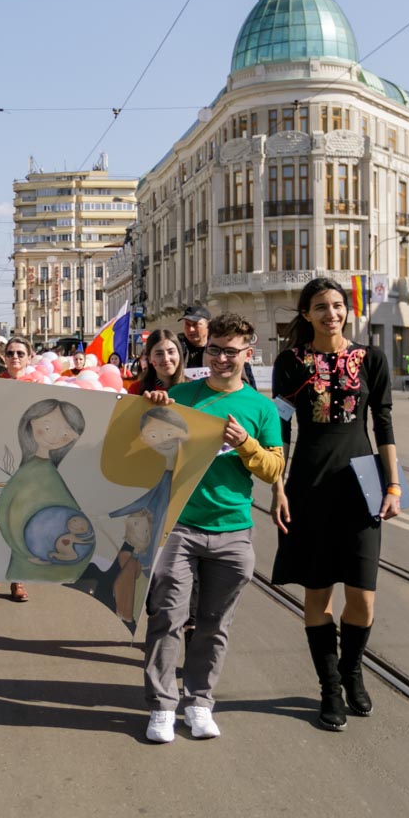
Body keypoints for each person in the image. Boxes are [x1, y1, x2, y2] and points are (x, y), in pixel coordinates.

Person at [139, 316, 284, 743]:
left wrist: (246, 444)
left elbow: (274, 469)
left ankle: (200, 702)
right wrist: (153, 409)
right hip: (179, 526)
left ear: (248, 353)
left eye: (231, 351)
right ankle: (162, 707)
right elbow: (146, 447)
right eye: (215, 350)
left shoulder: (261, 408)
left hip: (233, 530)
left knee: (214, 624)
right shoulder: (182, 396)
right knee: (167, 616)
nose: (221, 358)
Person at [271, 277, 401, 731]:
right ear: (306, 314)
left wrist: (394, 485)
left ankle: (352, 668)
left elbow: (382, 423)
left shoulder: (370, 358)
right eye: (321, 306)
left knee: (363, 598)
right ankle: (329, 688)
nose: (332, 313)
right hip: (309, 482)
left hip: (362, 482)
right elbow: (281, 428)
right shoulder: (291, 362)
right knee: (318, 592)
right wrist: (278, 486)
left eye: (338, 305)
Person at [129, 329, 185, 398]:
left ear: (179, 354)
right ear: (149, 359)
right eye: (159, 354)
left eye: (171, 352)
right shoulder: (136, 389)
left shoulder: (193, 388)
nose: (166, 359)